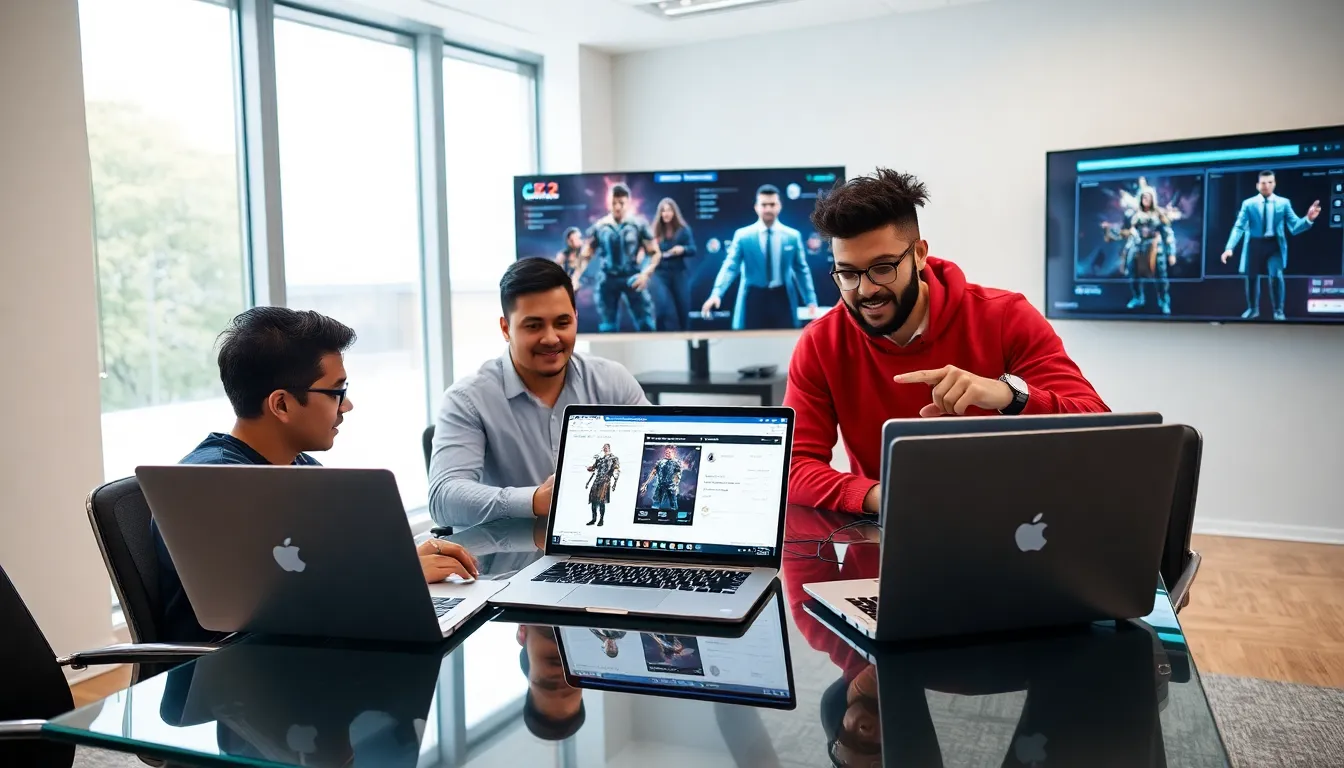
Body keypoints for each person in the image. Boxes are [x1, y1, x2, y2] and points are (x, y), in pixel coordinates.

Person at [784, 168, 1108, 515]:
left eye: (883, 268)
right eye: (848, 273)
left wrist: (1007, 395)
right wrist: (886, 496)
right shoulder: (821, 342)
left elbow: (1099, 430)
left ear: (919, 254)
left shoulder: (1006, 316)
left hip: (1019, 524)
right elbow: (794, 467)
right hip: (890, 530)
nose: (865, 290)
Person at [151, 308, 478, 643]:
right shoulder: (210, 486)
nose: (346, 405)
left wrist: (405, 563)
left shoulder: (302, 471)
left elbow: (333, 571)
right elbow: (265, 612)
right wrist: (396, 578)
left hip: (296, 661)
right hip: (223, 678)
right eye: (336, 392)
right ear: (281, 405)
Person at [428, 258, 649, 529]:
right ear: (505, 329)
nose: (551, 338)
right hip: (507, 569)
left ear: (576, 318)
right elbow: (443, 499)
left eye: (562, 322)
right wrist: (534, 500)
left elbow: (649, 459)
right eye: (533, 326)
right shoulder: (468, 400)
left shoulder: (612, 382)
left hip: (602, 553)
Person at [702, 184, 819, 329]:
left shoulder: (792, 237)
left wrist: (811, 301)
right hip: (753, 297)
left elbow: (801, 270)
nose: (768, 209)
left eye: (772, 204)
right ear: (756, 207)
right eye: (764, 205)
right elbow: (730, 267)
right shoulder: (743, 236)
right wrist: (716, 293)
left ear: (779, 206)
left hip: (782, 297)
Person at [1220, 170, 1321, 321]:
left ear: (1274, 184)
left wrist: (1308, 219)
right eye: (1262, 183)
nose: (1266, 186)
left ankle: (1278, 311)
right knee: (1251, 276)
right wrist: (1229, 248)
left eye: (1269, 182)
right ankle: (1252, 309)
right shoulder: (1248, 204)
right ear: (1257, 185)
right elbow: (1239, 227)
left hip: (1274, 245)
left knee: (1276, 276)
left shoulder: (1284, 203)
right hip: (1254, 243)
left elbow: (1294, 227)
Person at [573, 183, 662, 332]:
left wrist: (645, 274)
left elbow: (654, 253)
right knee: (607, 326)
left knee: (646, 324)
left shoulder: (638, 224)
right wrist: (574, 279)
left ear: (628, 203)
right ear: (609, 203)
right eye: (614, 203)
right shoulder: (600, 226)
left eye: (621, 203)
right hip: (608, 278)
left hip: (632, 276)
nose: (618, 207)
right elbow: (586, 255)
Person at [1110, 185, 1177, 314]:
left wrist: (1171, 253)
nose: (1145, 199)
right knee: (1132, 272)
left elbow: (1168, 234)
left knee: (1161, 276)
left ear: (1152, 198)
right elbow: (1128, 231)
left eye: (1148, 197)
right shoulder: (1134, 215)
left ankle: (1164, 301)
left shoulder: (1159, 214)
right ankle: (1137, 297)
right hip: (1137, 246)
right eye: (1143, 197)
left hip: (1155, 247)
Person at [651, 197, 698, 330]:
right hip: (660, 273)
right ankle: (660, 337)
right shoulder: (654, 231)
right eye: (663, 211)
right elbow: (648, 250)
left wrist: (682, 249)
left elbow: (693, 249)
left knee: (683, 307)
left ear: (674, 212)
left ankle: (687, 336)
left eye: (669, 210)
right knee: (661, 307)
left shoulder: (683, 229)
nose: (666, 213)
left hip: (678, 273)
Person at [585, 443, 620, 526]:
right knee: (593, 501)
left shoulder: (613, 458)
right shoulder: (600, 459)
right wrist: (589, 467)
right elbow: (592, 468)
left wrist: (615, 478)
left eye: (606, 447)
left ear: (609, 448)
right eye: (604, 447)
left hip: (605, 481)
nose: (605, 448)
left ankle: (601, 520)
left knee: (601, 501)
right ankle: (593, 519)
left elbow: (616, 469)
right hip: (596, 481)